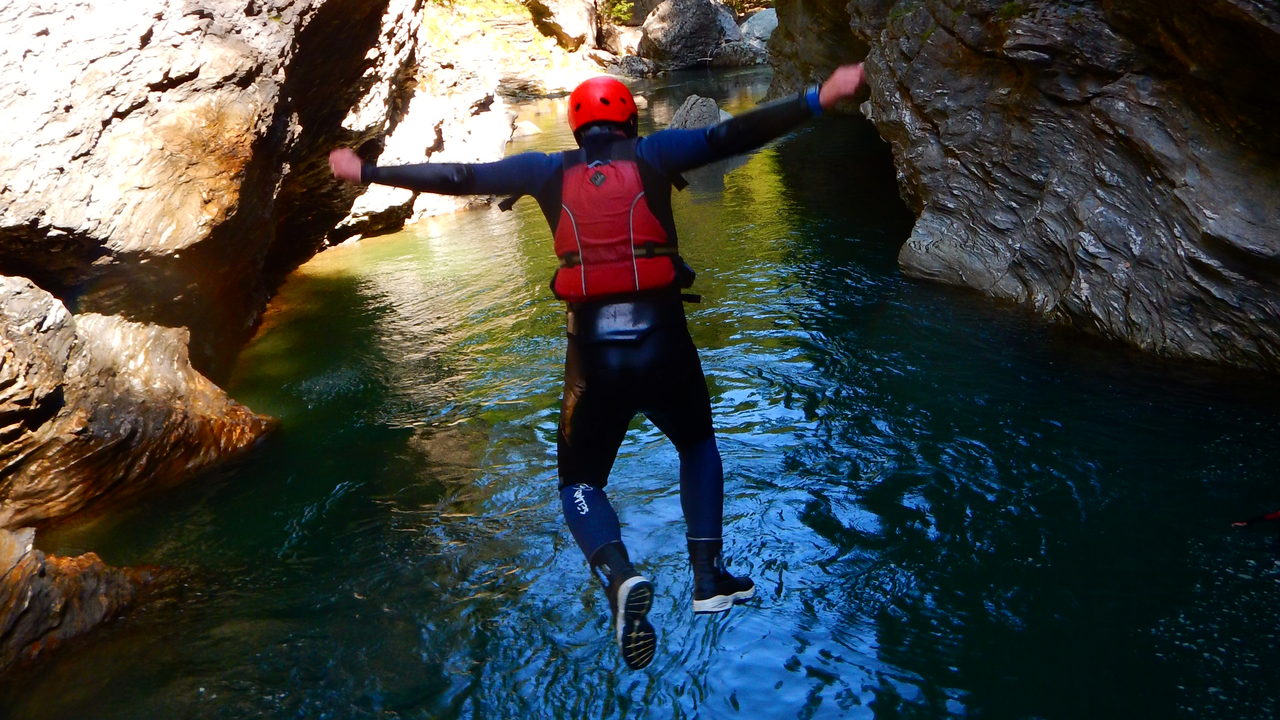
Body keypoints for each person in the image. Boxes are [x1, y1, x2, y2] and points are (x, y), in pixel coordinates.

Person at [330, 64, 867, 670]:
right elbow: (729, 138)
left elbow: (460, 175)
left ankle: (617, 575)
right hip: (664, 343)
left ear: (576, 126)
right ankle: (708, 576)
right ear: (629, 119)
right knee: (695, 444)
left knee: (580, 484)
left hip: (592, 357)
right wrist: (816, 98)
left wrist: (369, 169)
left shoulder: (543, 170)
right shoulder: (656, 154)